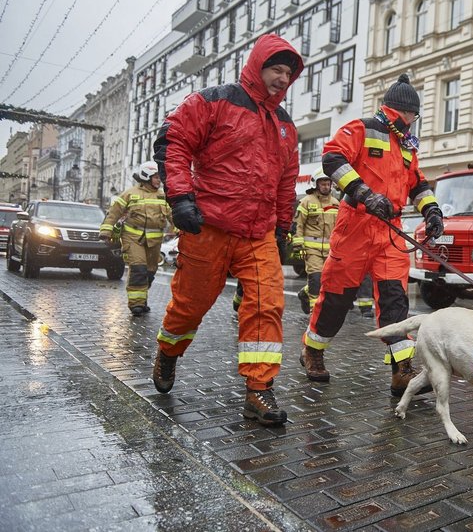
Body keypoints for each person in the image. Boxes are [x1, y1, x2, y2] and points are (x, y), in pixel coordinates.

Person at [151, 33, 303, 427]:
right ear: (257, 65)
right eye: (276, 69)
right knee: (190, 307)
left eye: (289, 73)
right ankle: (168, 353)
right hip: (209, 227)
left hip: (259, 235)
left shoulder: (286, 126)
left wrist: (283, 229)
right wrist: (181, 198)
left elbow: (287, 180)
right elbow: (173, 141)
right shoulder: (215, 101)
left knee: (267, 305)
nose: (283, 79)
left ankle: (259, 390)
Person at [300, 74, 444, 396]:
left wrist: (432, 211)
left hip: (389, 231)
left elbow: (417, 185)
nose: (413, 123)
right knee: (336, 299)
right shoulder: (362, 129)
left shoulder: (407, 146)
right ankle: (313, 351)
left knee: (395, 302)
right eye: (413, 116)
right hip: (357, 226)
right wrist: (364, 193)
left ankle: (402, 372)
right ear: (405, 112)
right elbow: (332, 158)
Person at [99, 161, 173, 316]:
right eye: (155, 177)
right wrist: (106, 231)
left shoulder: (163, 195)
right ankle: (136, 305)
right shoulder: (130, 193)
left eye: (160, 177)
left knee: (150, 273)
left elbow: (173, 216)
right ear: (146, 176)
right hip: (133, 237)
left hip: (155, 240)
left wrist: (182, 229)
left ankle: (142, 299)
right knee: (138, 269)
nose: (159, 180)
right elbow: (114, 213)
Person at [293, 168, 339, 315]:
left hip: (330, 250)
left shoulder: (336, 203)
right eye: (323, 184)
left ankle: (304, 293)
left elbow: (340, 228)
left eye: (328, 183)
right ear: (316, 185)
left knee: (326, 280)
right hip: (311, 249)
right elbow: (298, 225)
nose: (326, 186)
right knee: (315, 278)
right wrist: (298, 246)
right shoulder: (306, 202)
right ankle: (315, 310)